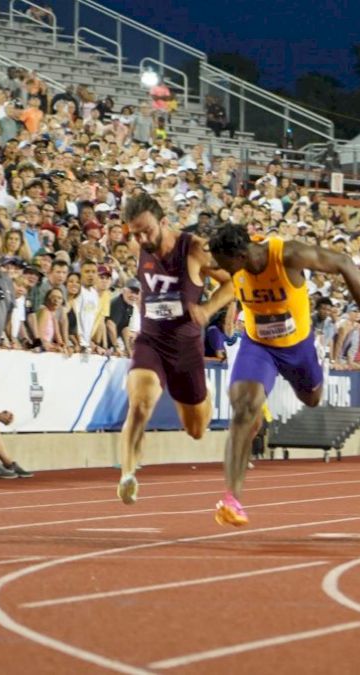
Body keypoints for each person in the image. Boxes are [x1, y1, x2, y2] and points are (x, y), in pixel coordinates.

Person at [207, 224, 360, 526]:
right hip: (258, 345)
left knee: (312, 398)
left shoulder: (287, 254)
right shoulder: (230, 262)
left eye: (225, 266)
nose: (222, 273)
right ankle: (232, 500)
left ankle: (270, 403)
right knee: (243, 408)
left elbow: (344, 263)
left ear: (240, 255)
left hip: (298, 347)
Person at [116, 193, 234, 505]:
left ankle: (203, 393)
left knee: (195, 430)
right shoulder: (136, 246)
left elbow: (232, 284)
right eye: (135, 233)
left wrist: (208, 310)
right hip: (150, 340)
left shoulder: (194, 248)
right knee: (140, 403)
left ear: (164, 222)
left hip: (185, 347)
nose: (141, 239)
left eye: (147, 231)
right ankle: (128, 474)